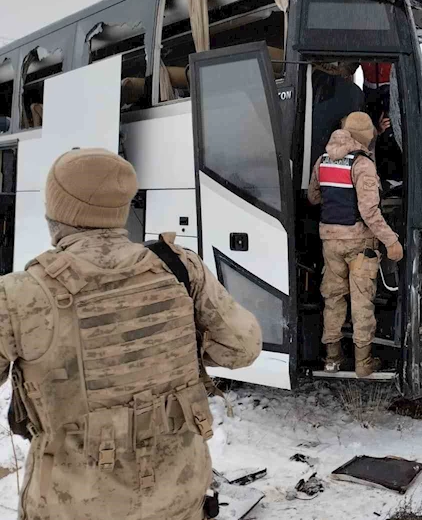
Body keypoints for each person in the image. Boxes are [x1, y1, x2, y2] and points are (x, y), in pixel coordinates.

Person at [0, 148, 262, 520]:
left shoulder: (20, 293)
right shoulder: (178, 266)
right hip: (180, 498)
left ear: (57, 212)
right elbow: (243, 347)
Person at [308, 112, 404, 378]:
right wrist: (391, 241)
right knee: (362, 302)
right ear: (364, 136)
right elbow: (369, 211)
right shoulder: (362, 164)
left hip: (329, 240)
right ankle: (363, 362)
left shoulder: (323, 160)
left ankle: (332, 358)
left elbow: (313, 197)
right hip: (359, 242)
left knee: (333, 299)